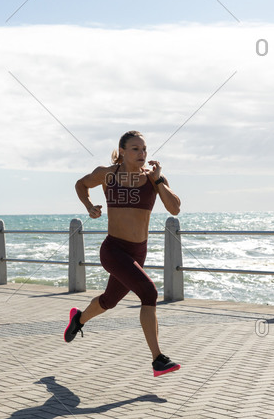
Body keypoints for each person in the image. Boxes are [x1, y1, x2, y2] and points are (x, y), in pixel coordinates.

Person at [65, 130, 182, 377]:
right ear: (122, 152)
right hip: (113, 249)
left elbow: (175, 209)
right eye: (135, 149)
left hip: (138, 252)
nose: (142, 154)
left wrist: (159, 180)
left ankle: (78, 320)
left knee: (109, 300)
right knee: (149, 293)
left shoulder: (153, 178)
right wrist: (88, 206)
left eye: (144, 149)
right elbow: (81, 184)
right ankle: (158, 359)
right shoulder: (107, 175)